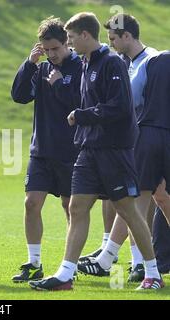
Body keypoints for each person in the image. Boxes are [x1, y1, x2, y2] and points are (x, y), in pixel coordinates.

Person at [29, 12, 163, 291]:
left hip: (114, 151)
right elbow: (80, 101)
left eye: (72, 38)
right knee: (77, 208)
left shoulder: (111, 63)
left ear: (86, 36)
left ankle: (153, 273)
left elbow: (120, 108)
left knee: (126, 210)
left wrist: (82, 115)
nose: (70, 44)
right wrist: (76, 110)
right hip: (89, 150)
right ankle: (65, 275)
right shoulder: (87, 62)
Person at [79, 13, 170, 282]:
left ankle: (115, 258)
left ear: (127, 36)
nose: (111, 44)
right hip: (137, 139)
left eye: (113, 39)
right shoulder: (124, 64)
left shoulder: (154, 60)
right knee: (148, 198)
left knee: (139, 199)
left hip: (148, 137)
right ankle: (117, 257)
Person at [10, 16, 82, 282]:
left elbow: (79, 104)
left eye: (56, 49)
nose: (51, 55)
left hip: (71, 151)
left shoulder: (79, 67)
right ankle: (34, 262)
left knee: (69, 206)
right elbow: (19, 96)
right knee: (31, 203)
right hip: (41, 150)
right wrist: (30, 64)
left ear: (66, 44)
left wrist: (60, 84)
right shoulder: (40, 69)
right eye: (46, 50)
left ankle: (68, 265)